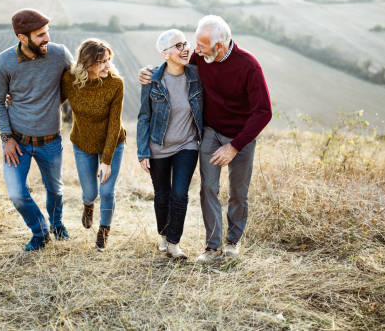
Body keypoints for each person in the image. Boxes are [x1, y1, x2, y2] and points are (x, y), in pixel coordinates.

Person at [139, 16, 272, 262]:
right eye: (195, 45)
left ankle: (232, 243)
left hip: (241, 137)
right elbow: (172, 67)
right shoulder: (202, 58)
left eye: (200, 45)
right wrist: (148, 73)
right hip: (210, 132)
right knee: (208, 188)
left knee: (238, 192)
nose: (194, 51)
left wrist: (234, 146)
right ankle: (212, 248)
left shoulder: (249, 66)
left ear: (219, 46)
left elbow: (264, 112)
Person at [0, 8, 74, 251]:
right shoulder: (4, 61)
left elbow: (80, 78)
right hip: (17, 142)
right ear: (22, 38)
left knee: (55, 190)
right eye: (40, 35)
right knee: (17, 194)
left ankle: (57, 224)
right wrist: (6, 137)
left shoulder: (59, 54)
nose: (47, 38)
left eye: (47, 32)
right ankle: (40, 231)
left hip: (50, 140)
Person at [137, 29, 203, 260]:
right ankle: (164, 236)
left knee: (180, 194)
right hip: (158, 147)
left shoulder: (196, 75)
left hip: (187, 145)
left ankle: (174, 242)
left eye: (185, 43)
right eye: (178, 46)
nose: (185, 48)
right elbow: (144, 116)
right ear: (165, 54)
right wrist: (142, 152)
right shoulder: (152, 79)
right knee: (162, 196)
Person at [60, 39, 126, 251]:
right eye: (101, 62)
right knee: (90, 193)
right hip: (82, 143)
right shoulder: (70, 79)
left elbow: (115, 124)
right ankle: (88, 205)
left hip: (113, 143)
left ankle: (103, 232)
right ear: (86, 64)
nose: (108, 65)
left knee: (106, 191)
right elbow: (53, 101)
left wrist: (106, 161)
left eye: (108, 60)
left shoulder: (115, 84)